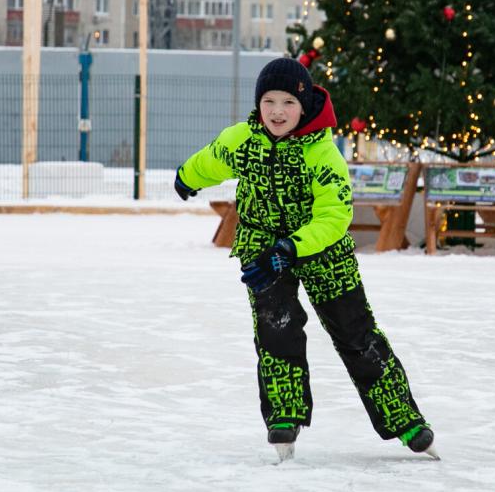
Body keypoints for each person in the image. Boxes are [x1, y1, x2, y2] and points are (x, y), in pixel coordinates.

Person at [174, 57, 437, 460]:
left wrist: (291, 248)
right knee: (276, 331)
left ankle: (404, 418)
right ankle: (284, 415)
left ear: (305, 105)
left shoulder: (322, 153)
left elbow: (335, 216)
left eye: (287, 103)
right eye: (269, 101)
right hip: (263, 248)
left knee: (356, 334)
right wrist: (187, 177)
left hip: (323, 252)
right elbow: (213, 158)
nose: (277, 112)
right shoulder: (242, 138)